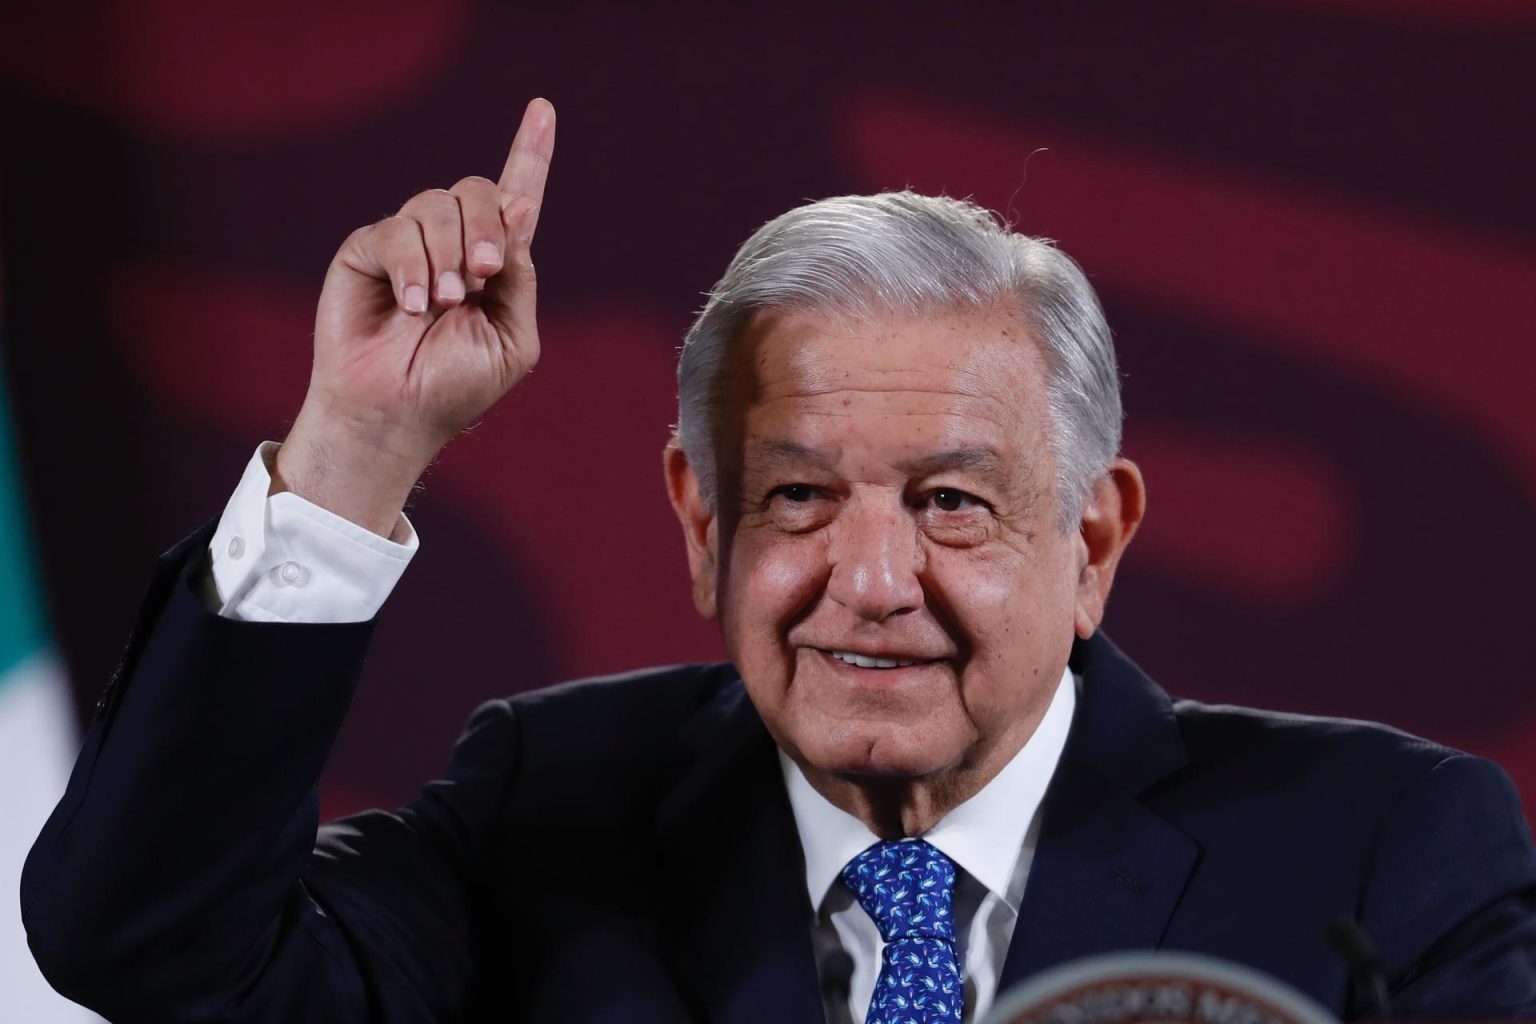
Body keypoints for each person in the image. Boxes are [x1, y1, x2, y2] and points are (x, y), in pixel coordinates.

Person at [20, 99, 1536, 1024]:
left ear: (1092, 541)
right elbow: (154, 952)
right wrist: (355, 449)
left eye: (950, 504)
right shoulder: (552, 815)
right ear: (703, 523)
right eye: (799, 499)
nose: (869, 580)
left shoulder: (1379, 853)